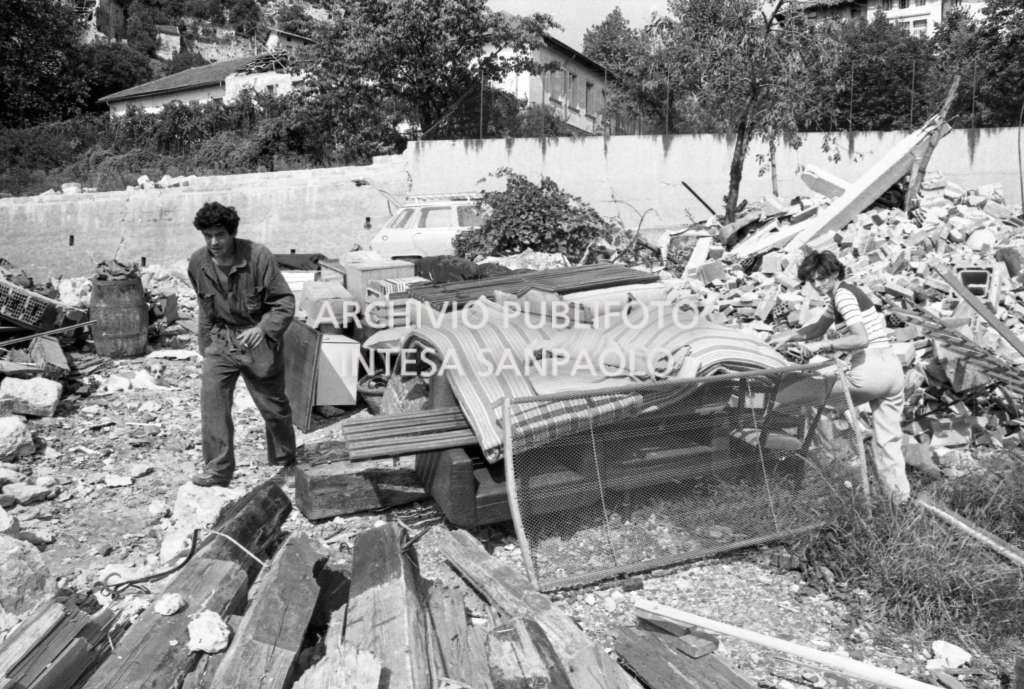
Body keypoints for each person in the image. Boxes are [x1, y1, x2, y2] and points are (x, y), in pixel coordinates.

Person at [770, 250, 910, 502]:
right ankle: (899, 501)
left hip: (870, 369)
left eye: (822, 278)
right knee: (888, 441)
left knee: (803, 395)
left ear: (835, 273)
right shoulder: (842, 295)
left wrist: (820, 346)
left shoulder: (843, 297)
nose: (817, 284)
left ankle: (834, 467)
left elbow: (860, 338)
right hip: (892, 370)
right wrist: (791, 336)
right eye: (812, 280)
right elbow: (818, 327)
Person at [187, 202, 296, 487]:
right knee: (213, 403)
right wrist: (205, 345)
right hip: (221, 341)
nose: (214, 242)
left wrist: (263, 329)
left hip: (258, 341)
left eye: (220, 235)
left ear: (232, 233)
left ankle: (285, 461)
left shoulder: (258, 257)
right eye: (208, 235)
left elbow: (284, 302)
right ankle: (218, 470)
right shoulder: (198, 263)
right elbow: (205, 306)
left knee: (273, 407)